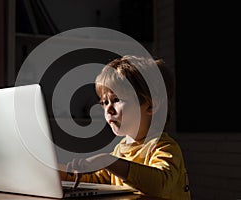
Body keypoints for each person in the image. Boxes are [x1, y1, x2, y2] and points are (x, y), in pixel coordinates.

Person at [60, 55, 191, 200]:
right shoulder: (121, 149)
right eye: (104, 102)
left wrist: (107, 161)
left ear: (151, 105)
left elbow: (159, 184)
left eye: (116, 100)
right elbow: (99, 179)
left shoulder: (164, 147)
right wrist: (54, 172)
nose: (108, 109)